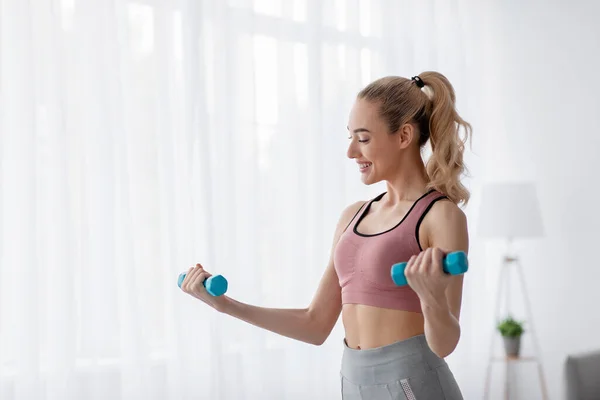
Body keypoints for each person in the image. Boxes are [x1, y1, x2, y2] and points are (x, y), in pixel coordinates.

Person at [180, 71, 471, 399]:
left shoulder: (441, 216)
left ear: (404, 136)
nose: (350, 152)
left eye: (362, 139)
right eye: (350, 137)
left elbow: (445, 344)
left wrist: (430, 298)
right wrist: (226, 306)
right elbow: (315, 324)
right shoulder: (354, 215)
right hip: (353, 384)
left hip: (414, 386)